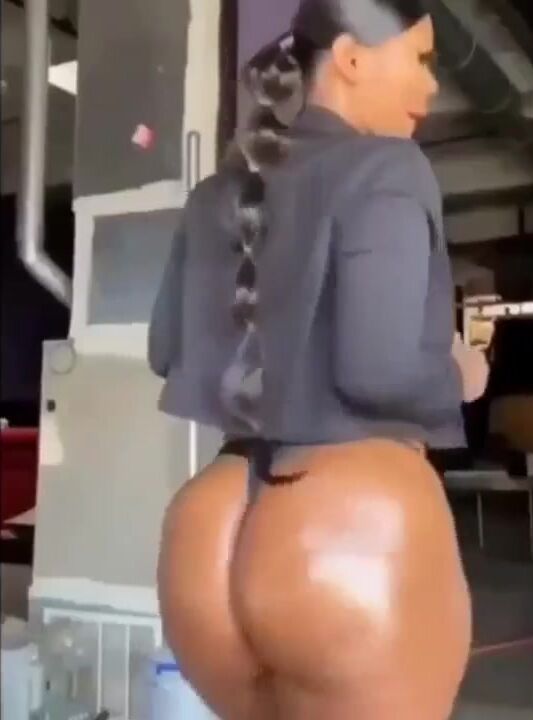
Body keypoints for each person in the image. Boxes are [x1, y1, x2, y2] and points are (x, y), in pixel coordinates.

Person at [148, 0, 489, 717]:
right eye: (421, 59)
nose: (431, 86)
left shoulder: (217, 191)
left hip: (209, 524)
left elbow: (164, 350)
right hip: (346, 525)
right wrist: (458, 372)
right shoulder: (388, 167)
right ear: (352, 59)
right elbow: (377, 371)